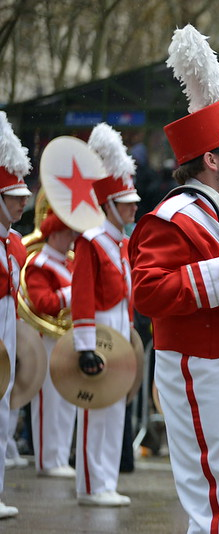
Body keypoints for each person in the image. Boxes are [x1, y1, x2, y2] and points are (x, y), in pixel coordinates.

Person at [129, 24, 219, 533]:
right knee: (218, 498)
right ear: (213, 160)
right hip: (202, 364)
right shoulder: (172, 215)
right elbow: (146, 293)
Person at [69, 122, 140, 507]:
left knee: (114, 409)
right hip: (96, 331)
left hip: (118, 330)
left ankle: (106, 482)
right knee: (94, 408)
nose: (133, 207)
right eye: (127, 203)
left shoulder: (122, 243)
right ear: (109, 205)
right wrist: (84, 346)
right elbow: (82, 295)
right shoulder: (91, 241)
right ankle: (90, 485)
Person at [24, 210, 78, 478]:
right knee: (49, 400)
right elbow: (42, 303)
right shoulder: (40, 264)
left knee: (67, 398)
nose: (72, 238)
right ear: (55, 234)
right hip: (47, 340)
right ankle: (47, 459)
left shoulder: (67, 263)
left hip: (68, 338)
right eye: (68, 233)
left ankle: (60, 456)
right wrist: (73, 293)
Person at [0, 111, 33, 519]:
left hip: (8, 321)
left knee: (4, 402)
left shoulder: (18, 243)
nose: (23, 201)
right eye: (13, 196)